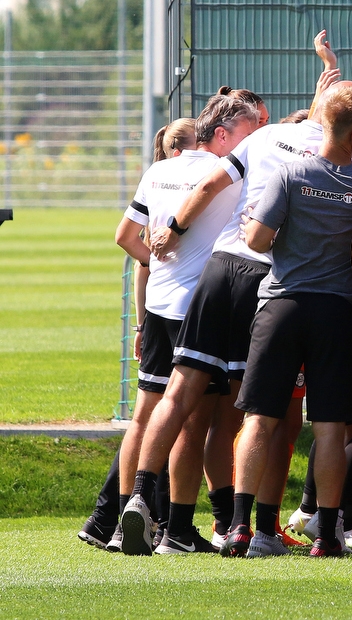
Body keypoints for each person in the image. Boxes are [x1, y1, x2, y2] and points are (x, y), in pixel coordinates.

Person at [223, 80, 352, 559]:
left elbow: (258, 242)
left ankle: (240, 527)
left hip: (281, 306)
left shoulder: (289, 172)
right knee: (328, 427)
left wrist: (261, 230)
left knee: (259, 417)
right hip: (338, 313)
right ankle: (326, 535)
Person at [115, 96, 261, 555]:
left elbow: (125, 237)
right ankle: (177, 528)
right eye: (248, 129)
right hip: (199, 308)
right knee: (194, 422)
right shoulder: (230, 175)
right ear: (222, 135)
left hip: (158, 305)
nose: (254, 139)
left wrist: (158, 262)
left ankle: (126, 517)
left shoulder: (159, 169)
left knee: (146, 415)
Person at [77, 117, 198, 550]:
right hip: (187, 306)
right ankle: (167, 524)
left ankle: (114, 520)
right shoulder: (200, 184)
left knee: (145, 417)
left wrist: (142, 323)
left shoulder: (158, 179)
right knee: (185, 417)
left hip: (157, 308)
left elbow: (134, 251)